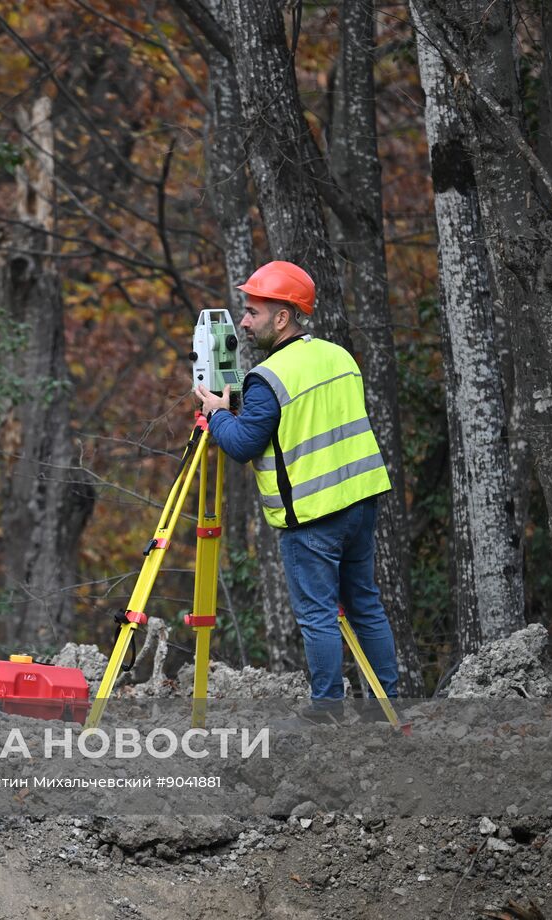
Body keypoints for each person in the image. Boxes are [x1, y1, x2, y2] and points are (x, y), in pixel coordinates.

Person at [195, 260, 399, 722]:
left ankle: (326, 708)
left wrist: (217, 414)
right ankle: (385, 706)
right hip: (360, 501)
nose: (244, 322)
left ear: (283, 317)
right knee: (365, 604)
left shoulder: (268, 378)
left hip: (312, 515)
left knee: (317, 615)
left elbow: (242, 445)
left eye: (253, 312)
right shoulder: (338, 356)